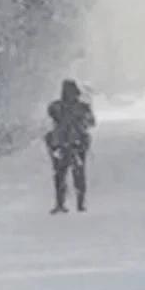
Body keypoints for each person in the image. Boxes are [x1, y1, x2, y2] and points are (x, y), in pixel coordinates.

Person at [45, 79, 95, 213]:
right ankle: (79, 203)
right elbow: (91, 122)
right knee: (77, 173)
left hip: (61, 144)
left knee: (60, 174)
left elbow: (51, 115)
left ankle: (61, 203)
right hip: (74, 144)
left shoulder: (56, 106)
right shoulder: (82, 107)